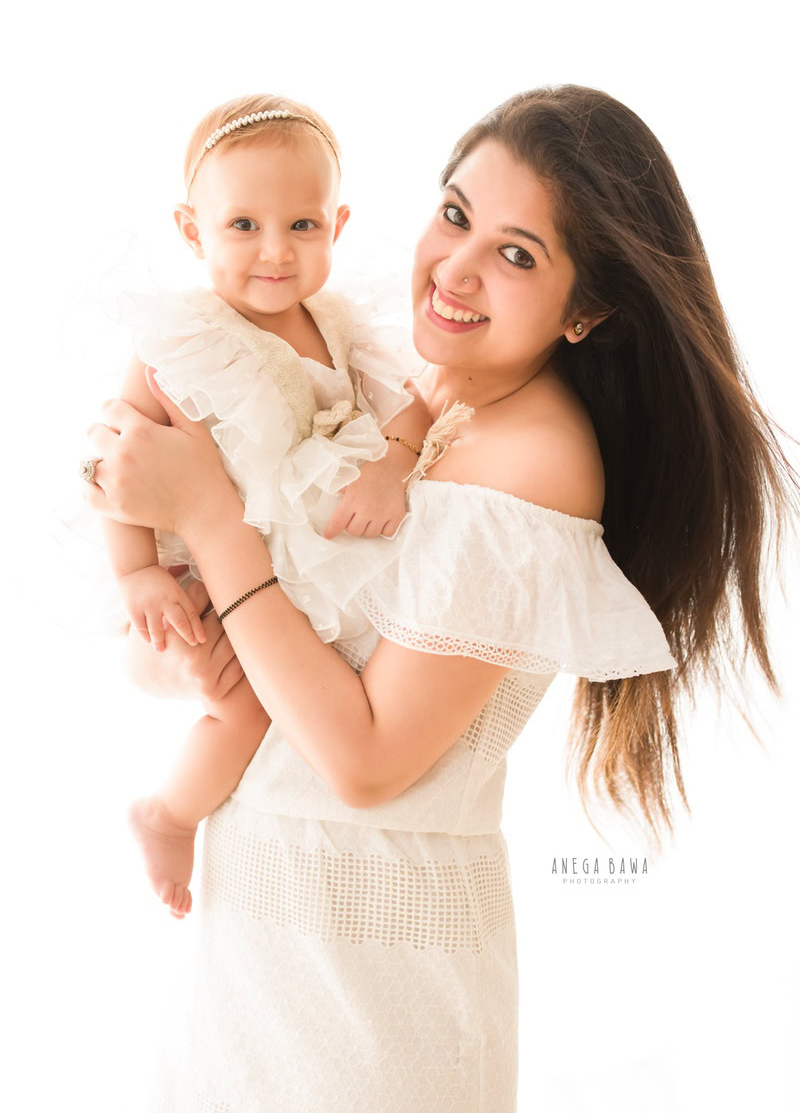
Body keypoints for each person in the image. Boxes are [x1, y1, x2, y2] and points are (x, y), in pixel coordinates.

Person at [82, 84, 798, 1111]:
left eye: (516, 254)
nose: (453, 268)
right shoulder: (411, 392)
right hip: (259, 946)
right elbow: (241, 652)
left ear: (587, 308)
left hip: (368, 1008)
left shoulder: (531, 464)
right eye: (455, 214)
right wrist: (171, 610)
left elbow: (366, 760)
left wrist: (207, 521)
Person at [94, 92, 434, 919]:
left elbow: (410, 410)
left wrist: (392, 464)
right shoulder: (182, 336)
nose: (274, 252)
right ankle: (169, 814)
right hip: (199, 570)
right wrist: (138, 571)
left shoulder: (342, 327)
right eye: (242, 225)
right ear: (191, 229)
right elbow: (117, 459)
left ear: (337, 224)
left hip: (287, 569)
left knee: (308, 691)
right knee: (243, 704)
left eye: (302, 226)